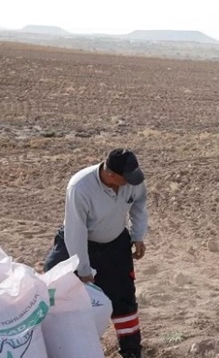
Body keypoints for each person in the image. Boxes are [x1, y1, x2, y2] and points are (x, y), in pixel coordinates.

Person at [43, 149, 148, 358]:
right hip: (76, 241)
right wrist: (83, 269)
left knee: (124, 297)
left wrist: (138, 235)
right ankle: (51, 344)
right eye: (125, 179)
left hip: (115, 242)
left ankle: (131, 351)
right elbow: (76, 230)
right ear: (110, 174)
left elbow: (139, 203)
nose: (131, 182)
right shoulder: (80, 187)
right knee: (54, 287)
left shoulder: (132, 180)